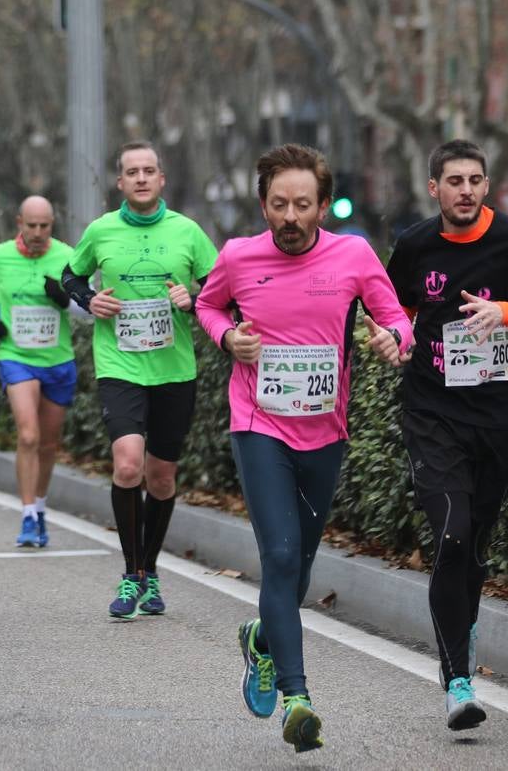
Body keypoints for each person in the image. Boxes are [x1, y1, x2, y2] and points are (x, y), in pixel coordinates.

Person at [195, 143, 412, 753]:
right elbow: (210, 306)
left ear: (322, 207)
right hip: (258, 424)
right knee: (282, 557)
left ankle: (263, 638)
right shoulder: (238, 256)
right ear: (264, 204)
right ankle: (297, 698)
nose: (290, 217)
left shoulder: (354, 254)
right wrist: (226, 337)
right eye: (279, 205)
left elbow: (395, 317)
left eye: (303, 205)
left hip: (325, 430)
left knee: (301, 566)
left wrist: (393, 339)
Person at [385, 138, 508, 731]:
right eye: (455, 181)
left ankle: (462, 625)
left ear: (486, 186)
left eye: (475, 180)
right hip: (432, 412)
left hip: (499, 415)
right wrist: (391, 336)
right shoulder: (416, 245)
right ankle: (457, 683)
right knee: (450, 534)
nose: (465, 190)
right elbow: (392, 311)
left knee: (473, 546)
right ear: (434, 188)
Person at [61, 141, 219, 619]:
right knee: (128, 466)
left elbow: (218, 289)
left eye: (150, 170)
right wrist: (90, 301)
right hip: (120, 365)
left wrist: (193, 297)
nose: (142, 178)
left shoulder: (188, 233)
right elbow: (69, 277)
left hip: (175, 369)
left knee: (162, 477)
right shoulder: (101, 231)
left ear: (162, 179)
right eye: (133, 172)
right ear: (121, 182)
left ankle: (150, 572)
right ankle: (131, 575)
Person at [0, 196, 80, 547]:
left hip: (58, 359)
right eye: (31, 225)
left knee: (49, 443)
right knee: (28, 435)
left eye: (45, 226)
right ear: (19, 222)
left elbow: (93, 305)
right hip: (15, 355)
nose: (37, 233)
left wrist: (65, 299)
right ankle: (25, 515)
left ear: (52, 224)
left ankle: (39, 507)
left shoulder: (68, 256)